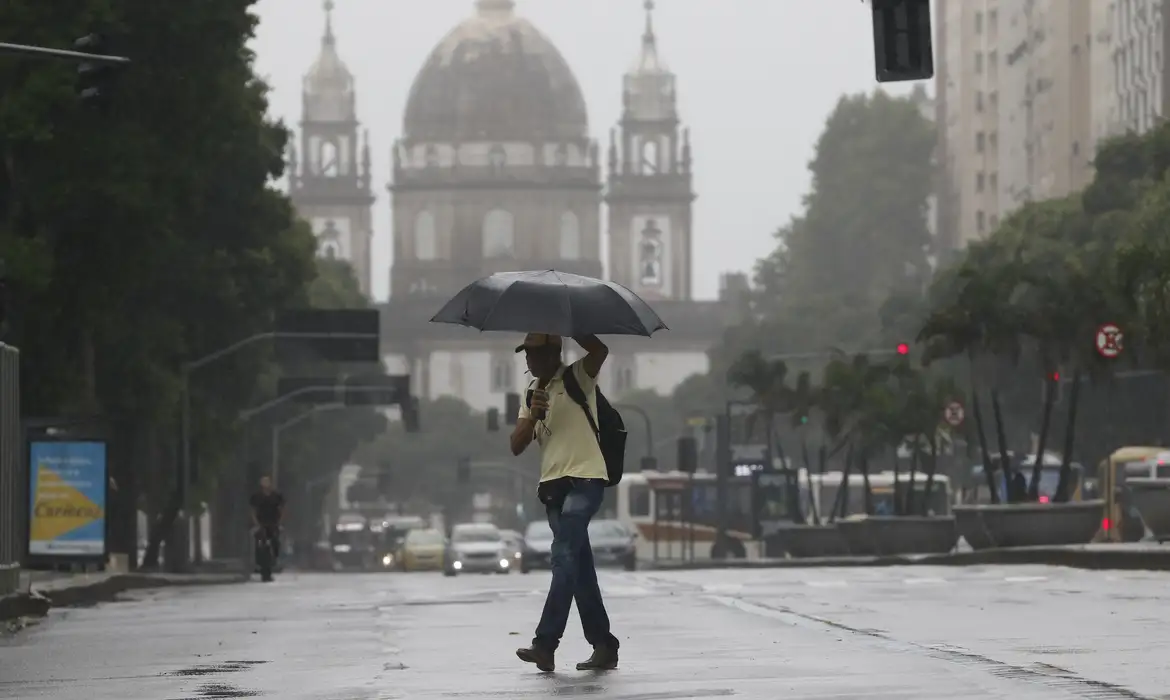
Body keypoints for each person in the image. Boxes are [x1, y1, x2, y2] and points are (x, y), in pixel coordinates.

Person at [509, 332, 620, 673]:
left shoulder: (576, 376)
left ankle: (545, 644)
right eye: (526, 353)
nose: (528, 360)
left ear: (552, 354)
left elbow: (600, 349)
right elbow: (516, 445)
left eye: (534, 353)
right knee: (579, 568)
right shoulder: (531, 394)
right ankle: (604, 644)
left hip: (586, 480)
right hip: (554, 488)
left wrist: (576, 326)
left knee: (563, 556)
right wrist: (533, 415)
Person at [249, 476, 285, 567]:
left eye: (267, 482)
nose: (265, 484)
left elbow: (282, 509)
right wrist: (256, 523)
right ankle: (258, 561)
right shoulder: (256, 496)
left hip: (273, 523)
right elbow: (253, 510)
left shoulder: (276, 496)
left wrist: (280, 522)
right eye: (263, 482)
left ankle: (276, 558)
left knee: (275, 540)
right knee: (258, 541)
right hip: (261, 523)